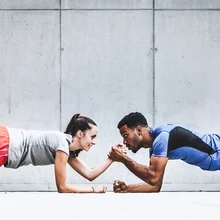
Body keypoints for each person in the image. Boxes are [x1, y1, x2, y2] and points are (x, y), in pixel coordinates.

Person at [0, 113, 125, 193]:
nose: (94, 142)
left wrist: (112, 157)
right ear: (80, 134)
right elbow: (62, 187)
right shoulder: (62, 144)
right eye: (92, 137)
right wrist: (93, 190)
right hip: (5, 143)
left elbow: (90, 174)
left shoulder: (66, 149)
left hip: (6, 145)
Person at [109, 112, 220, 193]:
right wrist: (127, 188)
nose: (124, 142)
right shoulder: (155, 148)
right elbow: (155, 186)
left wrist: (124, 159)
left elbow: (153, 178)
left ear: (138, 130)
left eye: (125, 135)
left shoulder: (162, 137)